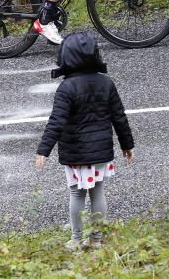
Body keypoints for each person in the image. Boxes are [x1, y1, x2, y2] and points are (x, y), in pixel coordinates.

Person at [35, 32, 135, 251]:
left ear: (66, 57)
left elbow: (56, 121)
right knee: (98, 191)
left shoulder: (66, 87)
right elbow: (119, 116)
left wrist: (44, 149)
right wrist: (127, 145)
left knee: (76, 193)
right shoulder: (106, 83)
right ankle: (97, 239)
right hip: (101, 151)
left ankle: (77, 238)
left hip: (76, 153)